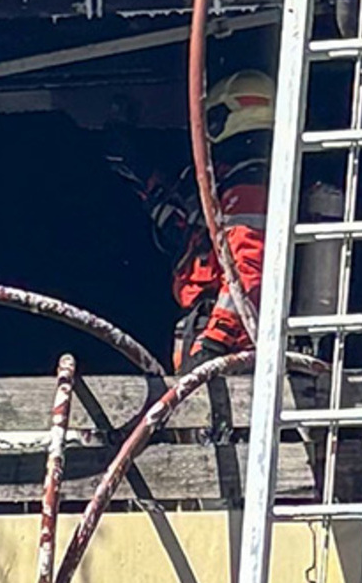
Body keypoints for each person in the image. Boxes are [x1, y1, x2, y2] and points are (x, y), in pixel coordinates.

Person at [117, 68, 276, 373]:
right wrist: (140, 174)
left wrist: (216, 338)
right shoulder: (225, 185)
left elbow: (249, 268)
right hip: (205, 329)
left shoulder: (248, 185)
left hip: (233, 345)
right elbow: (182, 228)